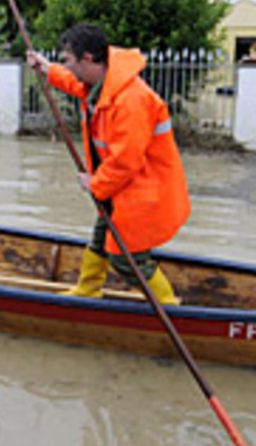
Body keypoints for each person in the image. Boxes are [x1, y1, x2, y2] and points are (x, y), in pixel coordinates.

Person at [27, 23, 191, 305]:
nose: (65, 65)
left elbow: (125, 162)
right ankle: (88, 288)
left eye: (67, 60)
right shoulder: (102, 85)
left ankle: (168, 305)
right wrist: (46, 68)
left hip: (143, 191)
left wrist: (95, 184)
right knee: (101, 236)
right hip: (122, 188)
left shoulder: (130, 100)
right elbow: (74, 84)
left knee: (126, 257)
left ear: (88, 59)